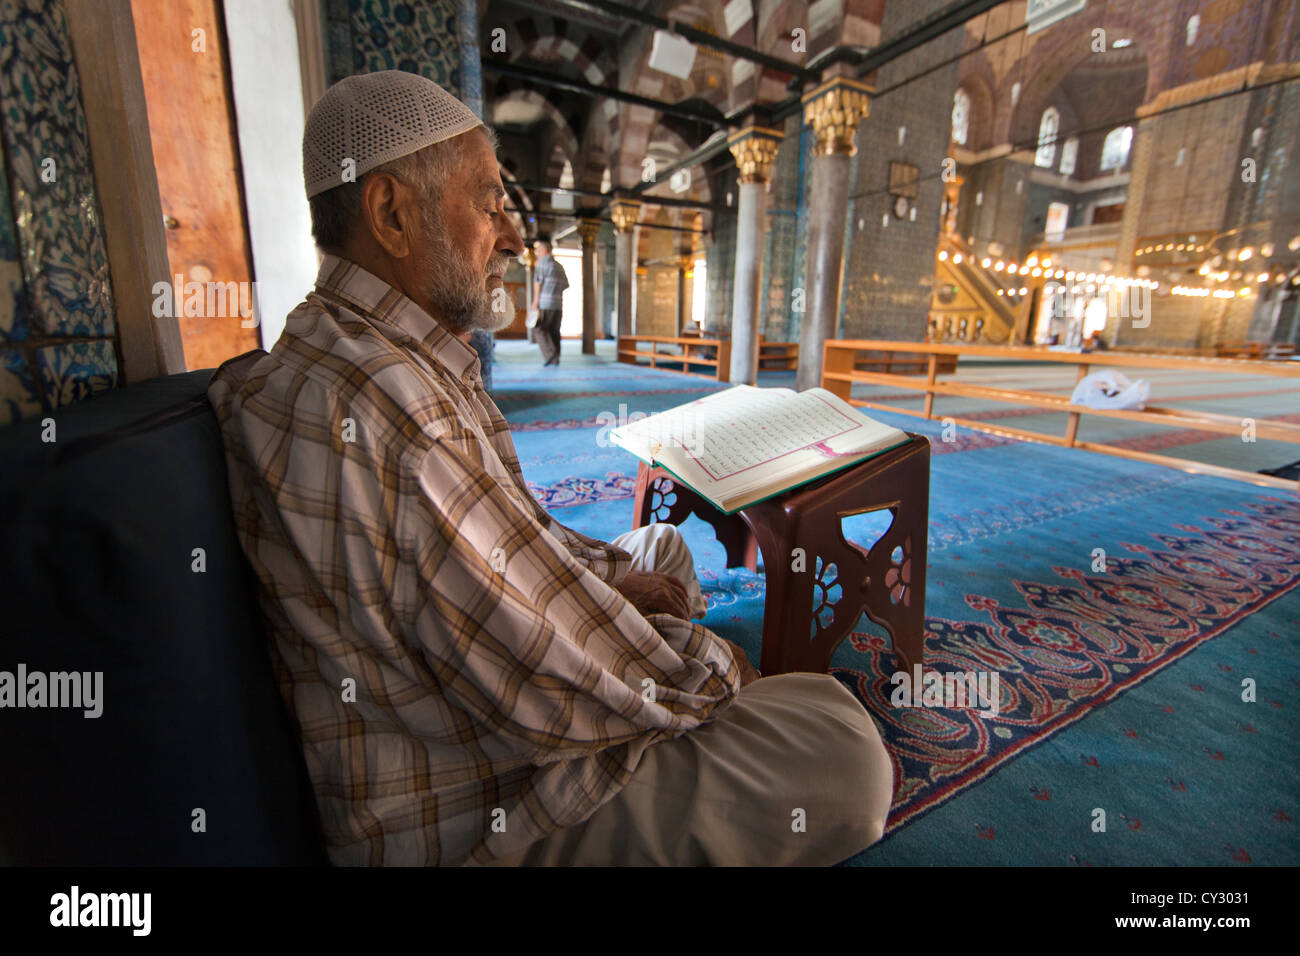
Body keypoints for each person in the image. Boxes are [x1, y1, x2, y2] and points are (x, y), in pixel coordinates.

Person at [207, 70, 892, 866]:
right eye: (488, 202)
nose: (513, 235)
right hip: (477, 804)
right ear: (391, 213)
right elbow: (542, 680)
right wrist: (715, 669)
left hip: (450, 696)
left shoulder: (347, 342)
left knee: (657, 550)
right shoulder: (393, 406)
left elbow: (514, 542)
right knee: (841, 749)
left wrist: (616, 590)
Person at [532, 235, 567, 366]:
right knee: (554, 331)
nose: (536, 254)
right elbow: (565, 285)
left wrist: (535, 302)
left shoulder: (541, 263)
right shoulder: (559, 266)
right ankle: (556, 357)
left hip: (545, 303)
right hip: (558, 304)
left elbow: (537, 283)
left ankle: (550, 354)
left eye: (538, 251)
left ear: (544, 250)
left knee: (539, 329)